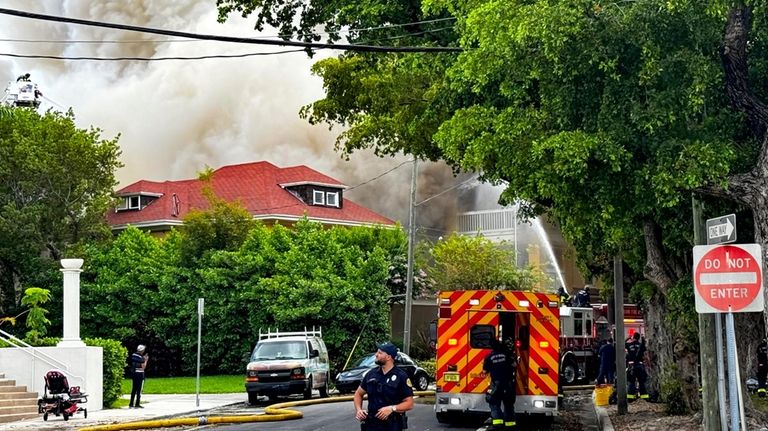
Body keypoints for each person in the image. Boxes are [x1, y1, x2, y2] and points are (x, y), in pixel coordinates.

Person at [354, 342, 414, 430]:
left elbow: (409, 403)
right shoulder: (371, 374)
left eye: (380, 352)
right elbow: (358, 394)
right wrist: (359, 410)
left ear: (388, 357)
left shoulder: (401, 376)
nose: (376, 355)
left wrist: (392, 408)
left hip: (392, 425)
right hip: (371, 425)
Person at [482, 338, 517, 429]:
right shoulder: (507, 355)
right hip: (508, 384)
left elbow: (485, 371)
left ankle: (498, 423)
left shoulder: (489, 357)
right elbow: (514, 365)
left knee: (493, 402)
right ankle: (510, 424)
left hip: (496, 384)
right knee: (508, 404)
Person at [625, 332, 648, 400]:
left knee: (631, 382)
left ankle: (630, 397)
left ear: (633, 337)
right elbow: (644, 348)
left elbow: (623, 344)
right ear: (638, 338)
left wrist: (628, 338)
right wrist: (643, 338)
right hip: (640, 365)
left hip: (632, 366)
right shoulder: (640, 345)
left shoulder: (629, 344)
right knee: (641, 381)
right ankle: (643, 397)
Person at [128, 344, 149, 408]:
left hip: (134, 373)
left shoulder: (133, 356)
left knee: (134, 389)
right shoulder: (141, 358)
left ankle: (131, 404)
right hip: (140, 374)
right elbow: (143, 367)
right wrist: (146, 360)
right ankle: (137, 404)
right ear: (142, 351)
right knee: (139, 390)